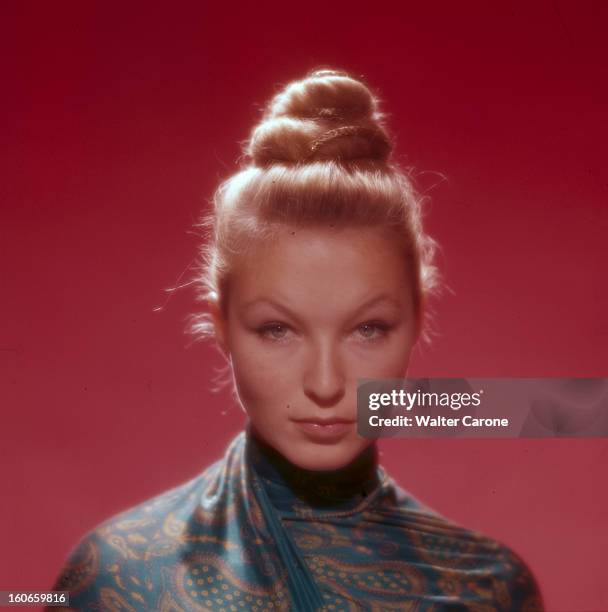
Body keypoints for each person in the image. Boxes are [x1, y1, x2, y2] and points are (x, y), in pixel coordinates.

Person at [48, 69, 544, 611]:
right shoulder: (113, 579)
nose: (326, 383)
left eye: (368, 329)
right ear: (221, 325)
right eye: (277, 330)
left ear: (418, 319)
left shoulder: (488, 590)